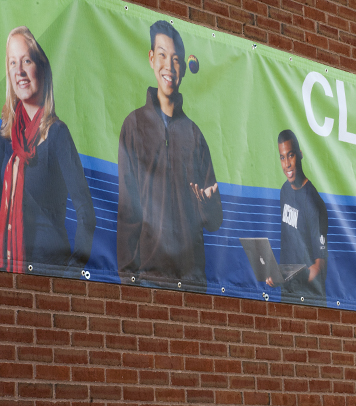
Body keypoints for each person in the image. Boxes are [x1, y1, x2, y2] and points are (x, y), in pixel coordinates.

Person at [117, 20, 222, 291]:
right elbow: (128, 210)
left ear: (183, 70)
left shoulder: (195, 136)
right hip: (149, 279)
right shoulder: (134, 125)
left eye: (176, 59)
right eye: (162, 55)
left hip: (192, 282)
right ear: (151, 58)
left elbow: (214, 220)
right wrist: (127, 279)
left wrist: (208, 204)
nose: (169, 66)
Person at [0, 26, 96, 274]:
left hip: (48, 276)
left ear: (41, 68)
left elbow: (87, 214)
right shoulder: (4, 140)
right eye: (12, 63)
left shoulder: (56, 134)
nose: (19, 71)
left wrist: (70, 273)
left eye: (26, 61)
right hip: (9, 271)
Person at [266, 129, 328, 304]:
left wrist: (289, 278)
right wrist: (277, 275)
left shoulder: (314, 203)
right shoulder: (284, 191)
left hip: (310, 301)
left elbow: (319, 268)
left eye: (291, 156)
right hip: (287, 296)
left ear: (300, 155)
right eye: (282, 157)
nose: (287, 164)